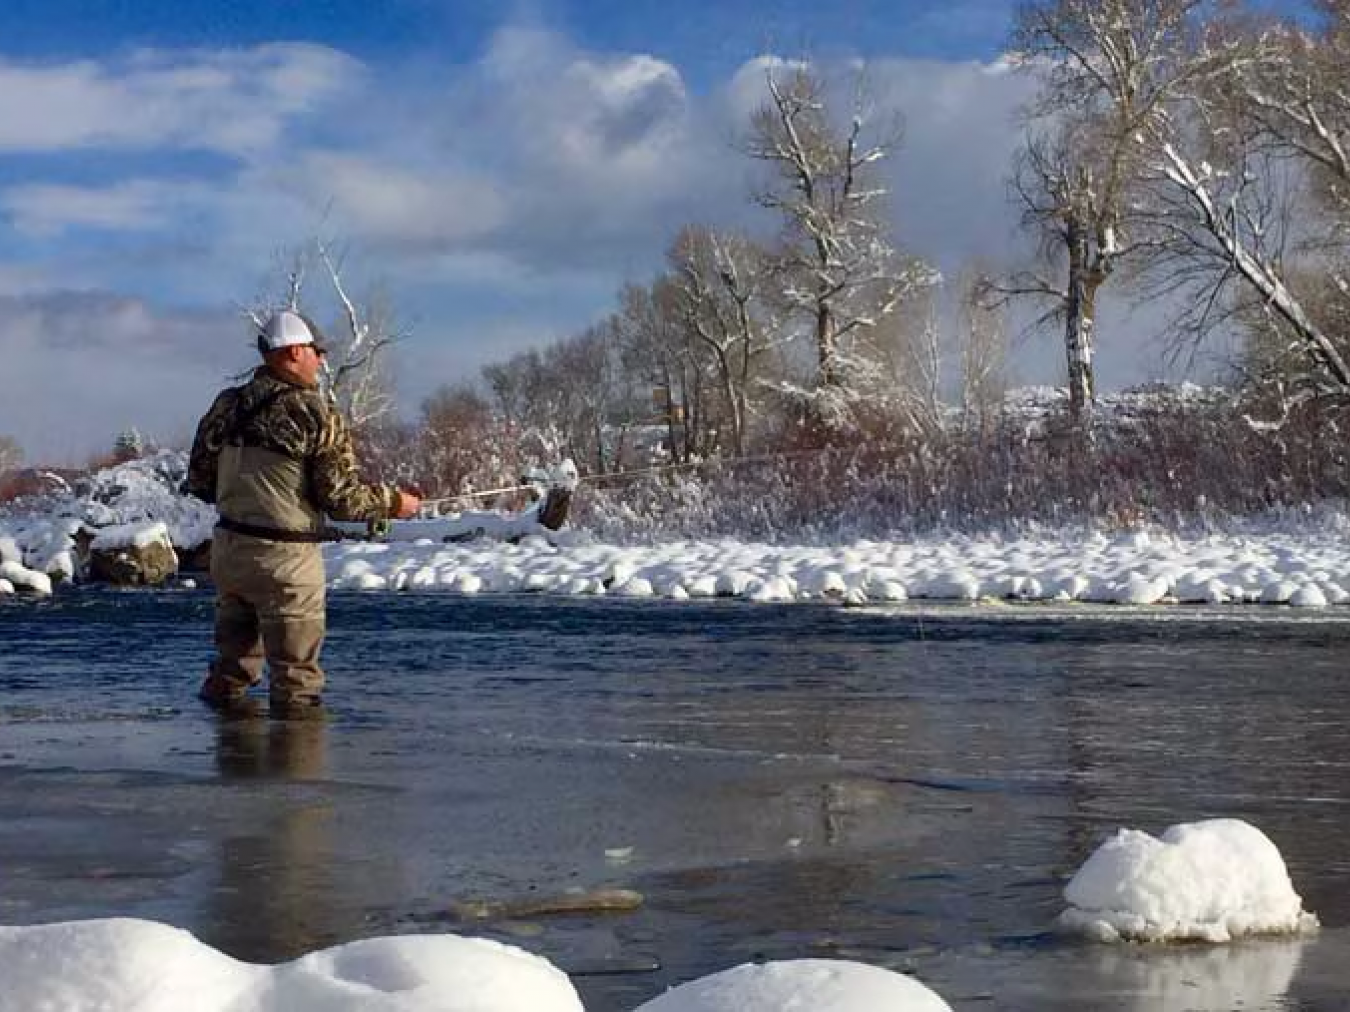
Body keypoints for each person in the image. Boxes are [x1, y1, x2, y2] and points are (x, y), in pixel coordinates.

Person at [185, 309, 420, 717]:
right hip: (286, 562)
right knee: (296, 684)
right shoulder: (314, 412)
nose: (322, 358)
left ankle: (226, 753)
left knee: (230, 674)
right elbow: (341, 499)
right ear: (295, 352)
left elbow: (200, 481)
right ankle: (296, 758)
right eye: (317, 350)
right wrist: (396, 503)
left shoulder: (227, 405)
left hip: (229, 555)